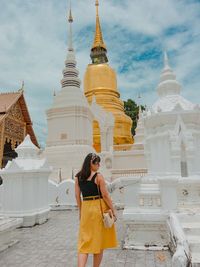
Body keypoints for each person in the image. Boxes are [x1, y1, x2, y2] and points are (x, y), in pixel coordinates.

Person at [75, 152, 118, 267]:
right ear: (90, 164)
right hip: (98, 209)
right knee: (98, 243)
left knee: (84, 243)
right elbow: (105, 195)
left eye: (99, 162)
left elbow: (77, 196)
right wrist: (113, 210)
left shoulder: (78, 177)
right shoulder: (98, 177)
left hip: (86, 209)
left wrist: (80, 210)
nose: (98, 164)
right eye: (96, 162)